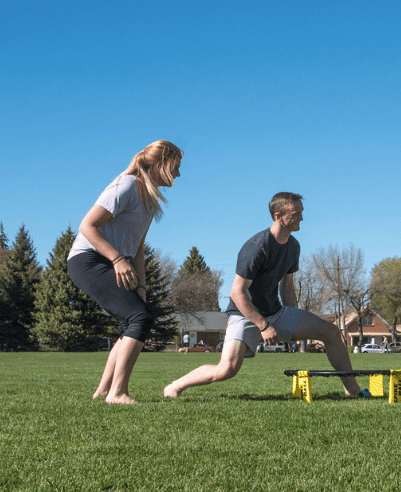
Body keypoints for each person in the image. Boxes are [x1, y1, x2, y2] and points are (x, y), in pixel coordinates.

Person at [164, 193, 369, 398]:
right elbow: (236, 292)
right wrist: (263, 326)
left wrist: (293, 318)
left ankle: (352, 390)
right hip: (244, 315)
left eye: (301, 213)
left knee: (331, 332)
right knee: (226, 369)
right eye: (296, 214)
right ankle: (174, 386)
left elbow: (287, 286)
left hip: (275, 312)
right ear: (278, 216)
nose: (302, 219)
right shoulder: (257, 246)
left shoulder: (293, 246)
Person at [68, 140, 183, 404]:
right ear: (160, 164)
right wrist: (117, 258)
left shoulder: (150, 200)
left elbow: (139, 248)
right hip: (88, 260)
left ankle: (103, 391)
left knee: (134, 318)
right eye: (176, 167)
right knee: (140, 318)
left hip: (113, 262)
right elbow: (87, 226)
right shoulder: (127, 185)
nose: (178, 174)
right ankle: (117, 393)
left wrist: (141, 288)